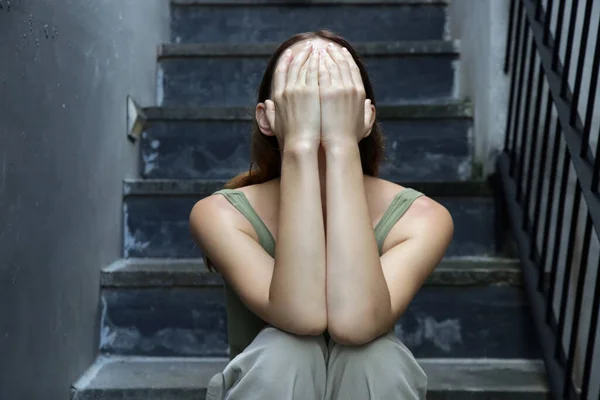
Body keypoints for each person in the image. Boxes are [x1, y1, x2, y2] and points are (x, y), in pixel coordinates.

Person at [189, 30, 454, 400]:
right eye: (299, 87)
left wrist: (342, 145)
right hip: (272, 380)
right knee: (288, 352)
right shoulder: (219, 213)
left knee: (376, 357)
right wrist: (298, 146)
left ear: (365, 117)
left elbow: (356, 324)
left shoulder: (423, 218)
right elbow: (302, 316)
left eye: (336, 86)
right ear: (267, 118)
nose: (318, 96)